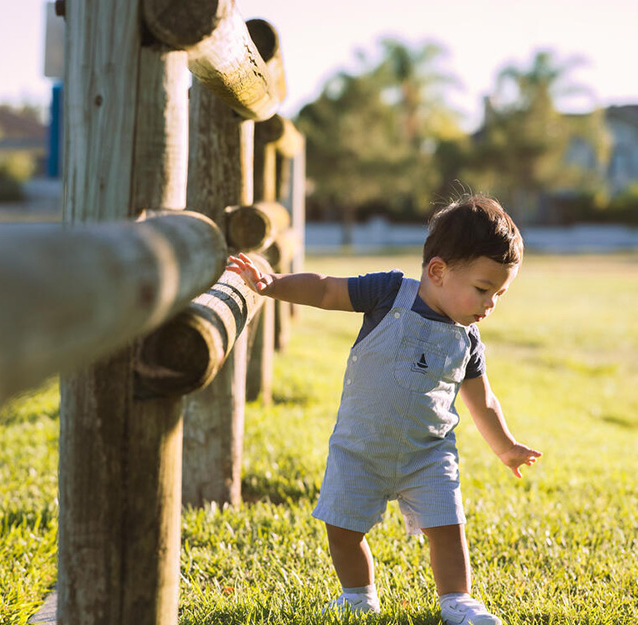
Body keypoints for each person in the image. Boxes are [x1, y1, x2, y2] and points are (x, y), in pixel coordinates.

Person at [227, 194, 542, 624]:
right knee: (341, 528)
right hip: (360, 447)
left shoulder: (468, 341)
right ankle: (358, 594)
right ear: (438, 271)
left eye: (499, 294)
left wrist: (506, 448)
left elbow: (482, 399)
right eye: (483, 289)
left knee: (448, 530)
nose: (490, 304)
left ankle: (457, 600)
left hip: (427, 454)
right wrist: (273, 283)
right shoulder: (389, 292)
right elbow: (325, 288)